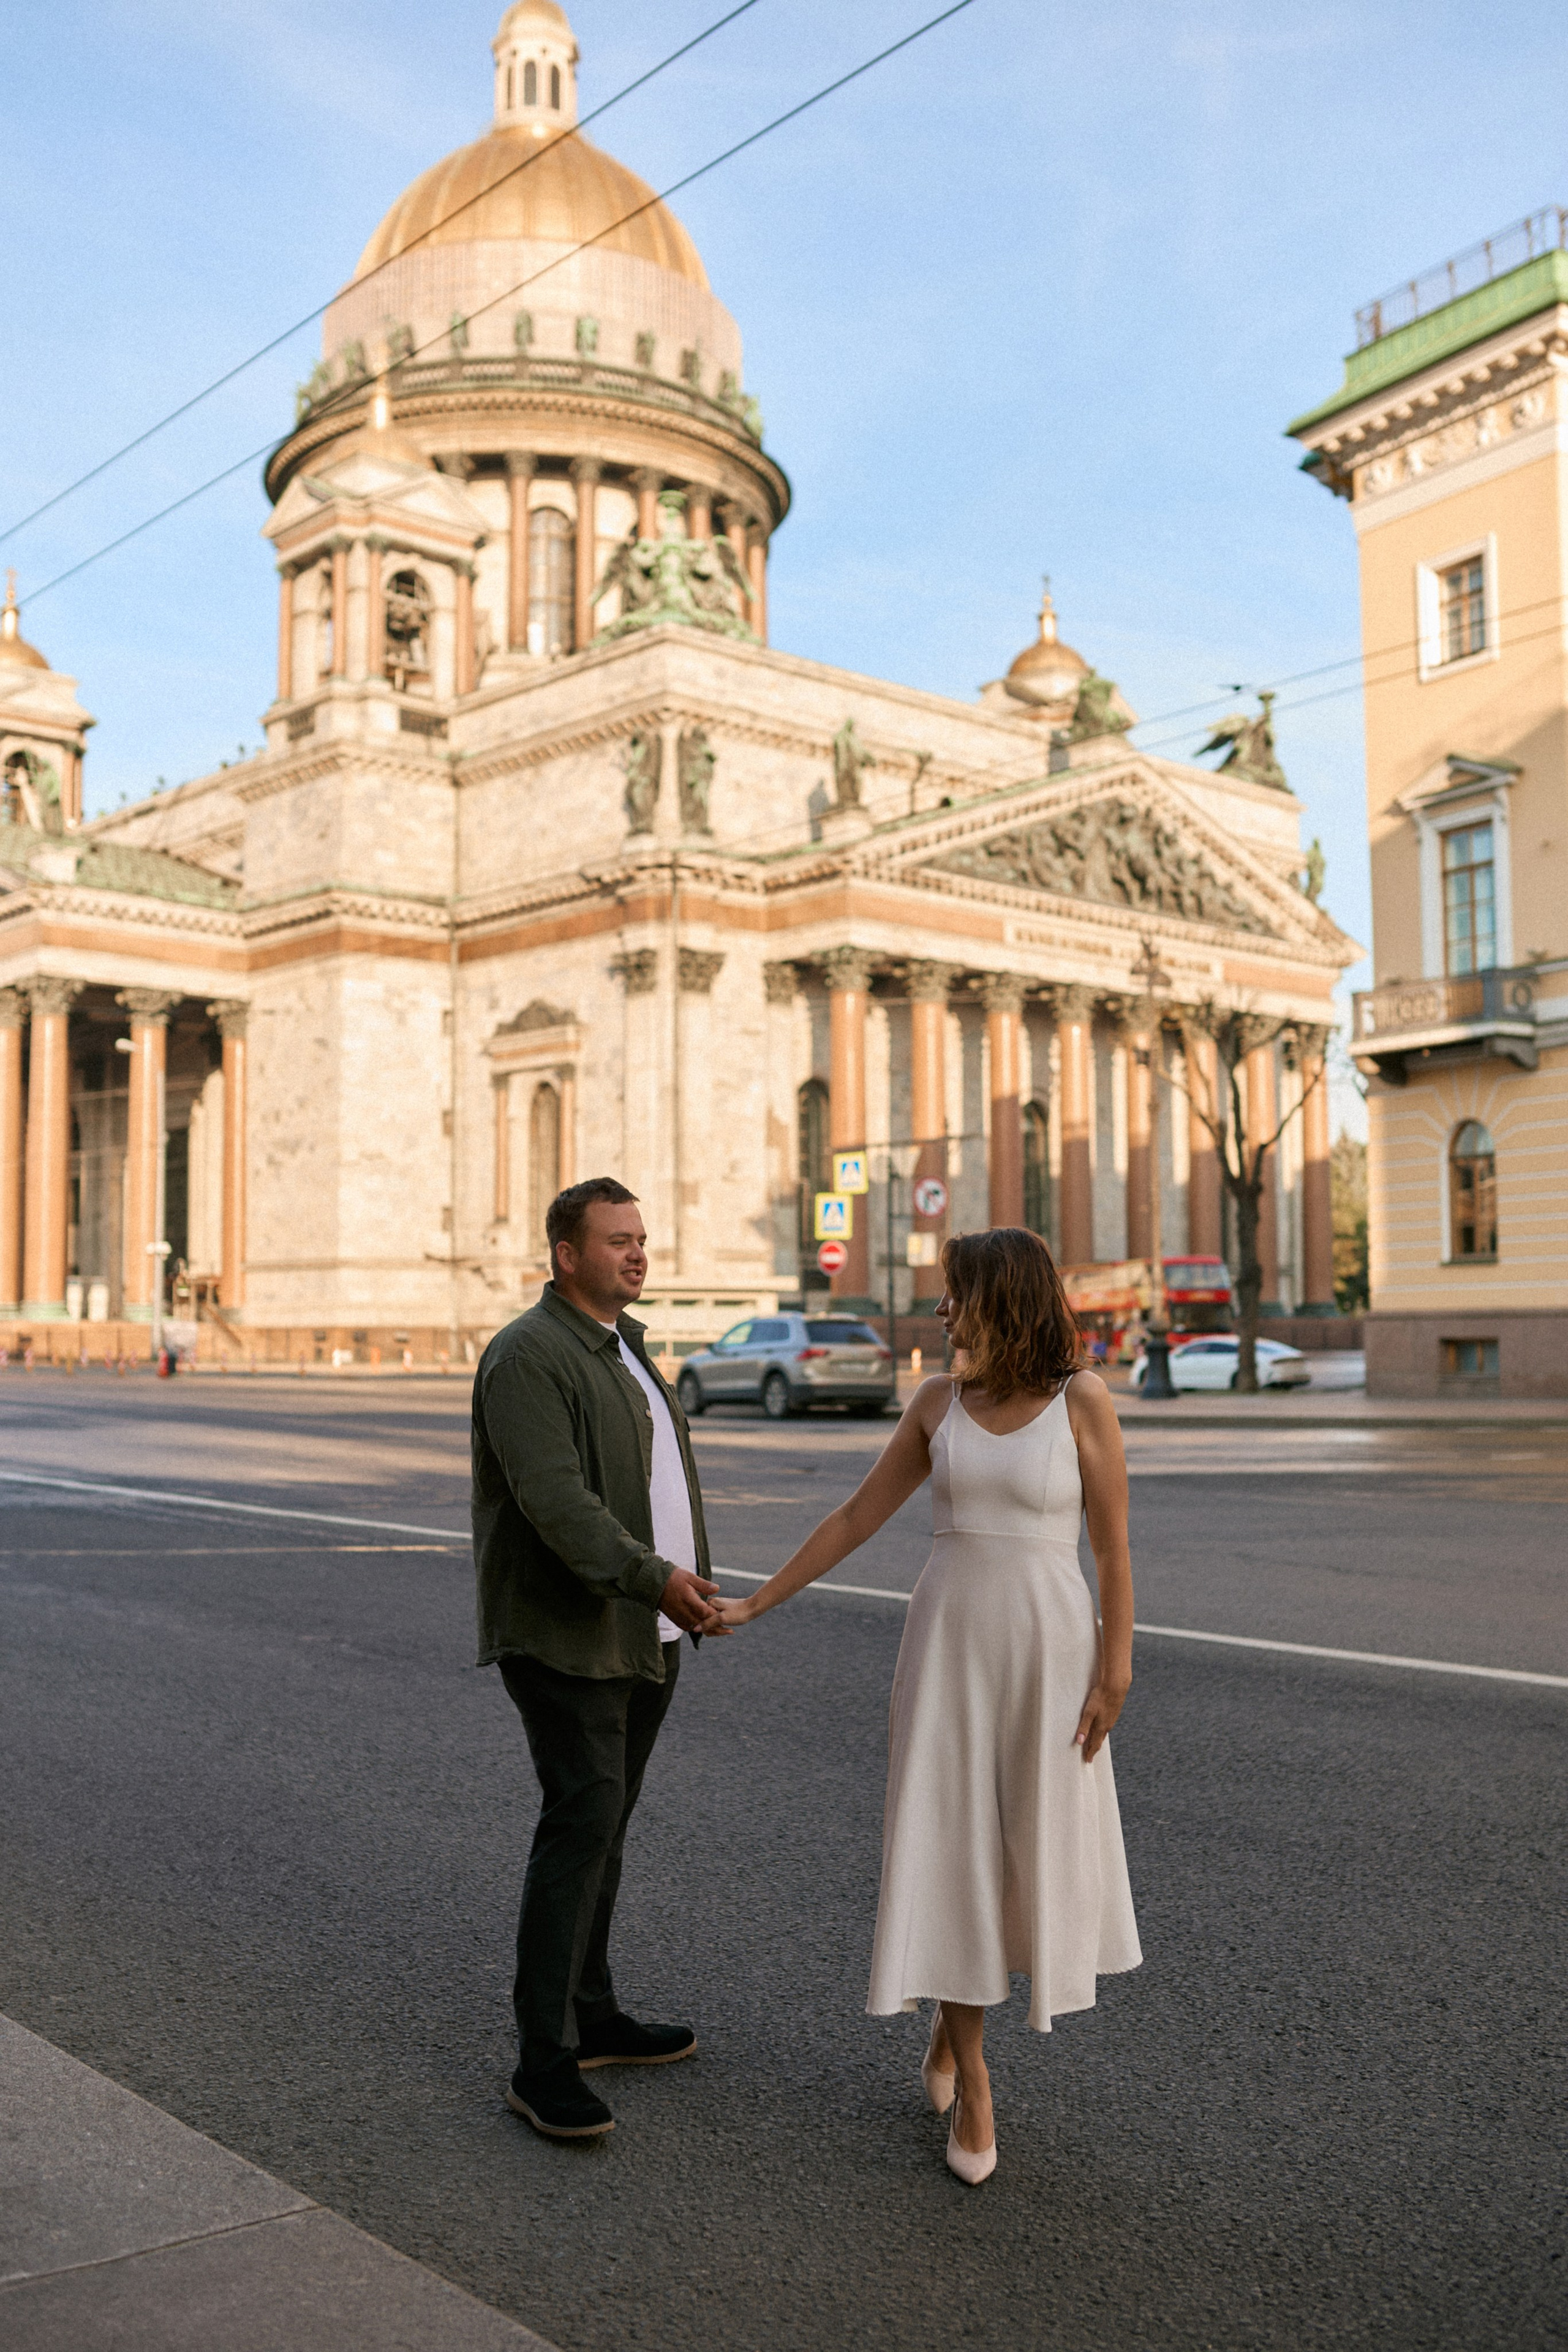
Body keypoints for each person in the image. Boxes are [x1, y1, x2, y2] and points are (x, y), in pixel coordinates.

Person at [714, 1226, 1140, 2184]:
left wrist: (1116, 1670)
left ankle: (952, 2035)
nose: (941, 1309)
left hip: (1049, 1652)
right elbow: (856, 1518)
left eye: (955, 1293)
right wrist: (756, 1599)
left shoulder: (1084, 1402)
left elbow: (1111, 1549)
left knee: (1023, 1849)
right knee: (950, 1846)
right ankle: (975, 2077)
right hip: (948, 1645)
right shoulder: (936, 1403)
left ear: (1004, 1296)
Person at [472, 1177, 727, 2142]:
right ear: (565, 1254)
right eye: (617, 1240)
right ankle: (543, 2062)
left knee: (608, 1824)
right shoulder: (528, 1356)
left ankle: (597, 2014)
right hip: (568, 1631)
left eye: (642, 1239)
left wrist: (688, 1583)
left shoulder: (626, 1347)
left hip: (645, 1624)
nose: (637, 1254)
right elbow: (558, 1504)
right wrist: (654, 1576)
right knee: (579, 1825)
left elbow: (658, 1483)